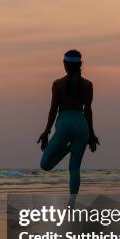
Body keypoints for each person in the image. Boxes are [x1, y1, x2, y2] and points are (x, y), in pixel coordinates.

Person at [37, 50, 99, 206]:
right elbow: (88, 111)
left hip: (64, 124)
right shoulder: (88, 85)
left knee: (45, 164)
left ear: (64, 65)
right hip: (81, 125)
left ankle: (68, 149)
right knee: (74, 168)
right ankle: (71, 206)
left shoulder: (58, 84)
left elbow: (53, 109)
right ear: (80, 65)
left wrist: (46, 131)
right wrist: (91, 134)